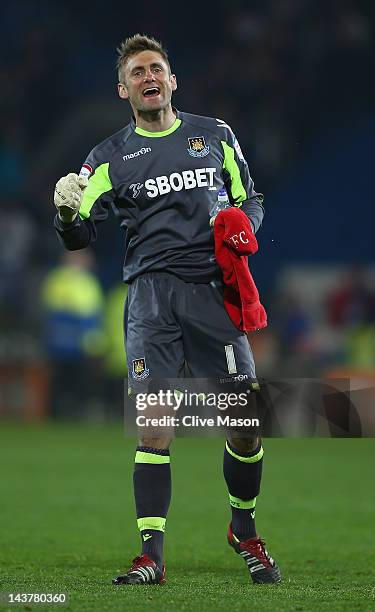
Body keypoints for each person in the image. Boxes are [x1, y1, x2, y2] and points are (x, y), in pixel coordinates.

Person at [53, 34, 281, 585]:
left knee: (245, 425)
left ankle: (243, 529)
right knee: (154, 425)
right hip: (151, 299)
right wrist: (65, 215)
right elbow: (80, 237)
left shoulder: (213, 135)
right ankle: (151, 556)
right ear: (123, 89)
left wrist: (243, 226)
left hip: (211, 291)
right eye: (137, 72)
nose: (149, 77)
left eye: (156, 68)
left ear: (173, 79)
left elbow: (251, 198)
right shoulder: (108, 158)